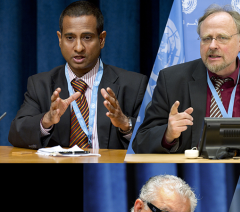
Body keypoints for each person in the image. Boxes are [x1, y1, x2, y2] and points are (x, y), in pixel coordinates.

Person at [132, 4, 240, 154]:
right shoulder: (172, 80)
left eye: (222, 38)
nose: (212, 45)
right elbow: (140, 142)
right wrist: (168, 134)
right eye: (206, 38)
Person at [8, 1, 148, 150]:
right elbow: (16, 134)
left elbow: (153, 138)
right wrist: (46, 120)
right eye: (70, 38)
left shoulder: (134, 84)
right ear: (60, 39)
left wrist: (126, 124)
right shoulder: (40, 84)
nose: (79, 47)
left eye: (87, 37)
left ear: (101, 39)